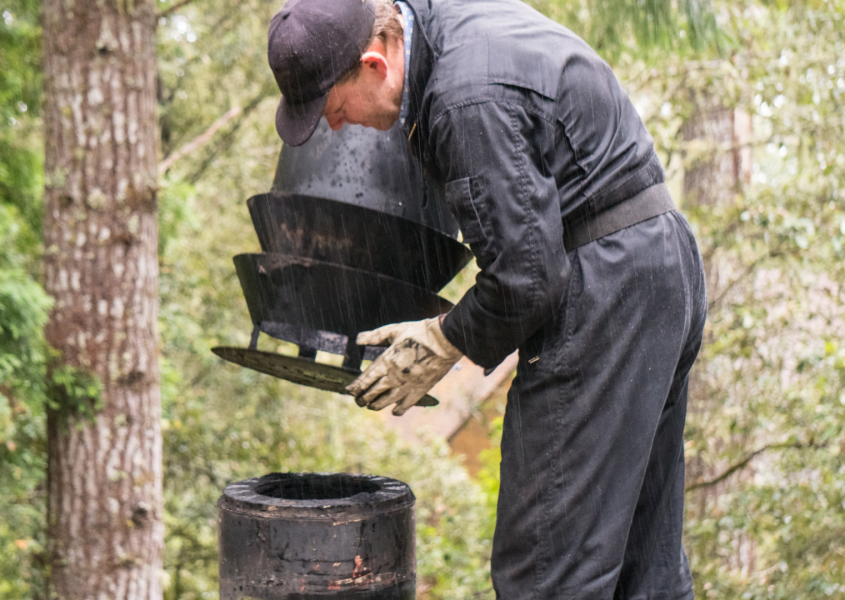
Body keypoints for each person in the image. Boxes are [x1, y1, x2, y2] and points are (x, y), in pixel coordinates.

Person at [266, 0, 708, 598]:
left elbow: (527, 277)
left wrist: (444, 338)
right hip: (656, 266)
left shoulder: (462, 99)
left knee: (548, 571)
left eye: (334, 108)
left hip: (608, 291)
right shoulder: (438, 29)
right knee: (643, 573)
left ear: (374, 64)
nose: (337, 126)